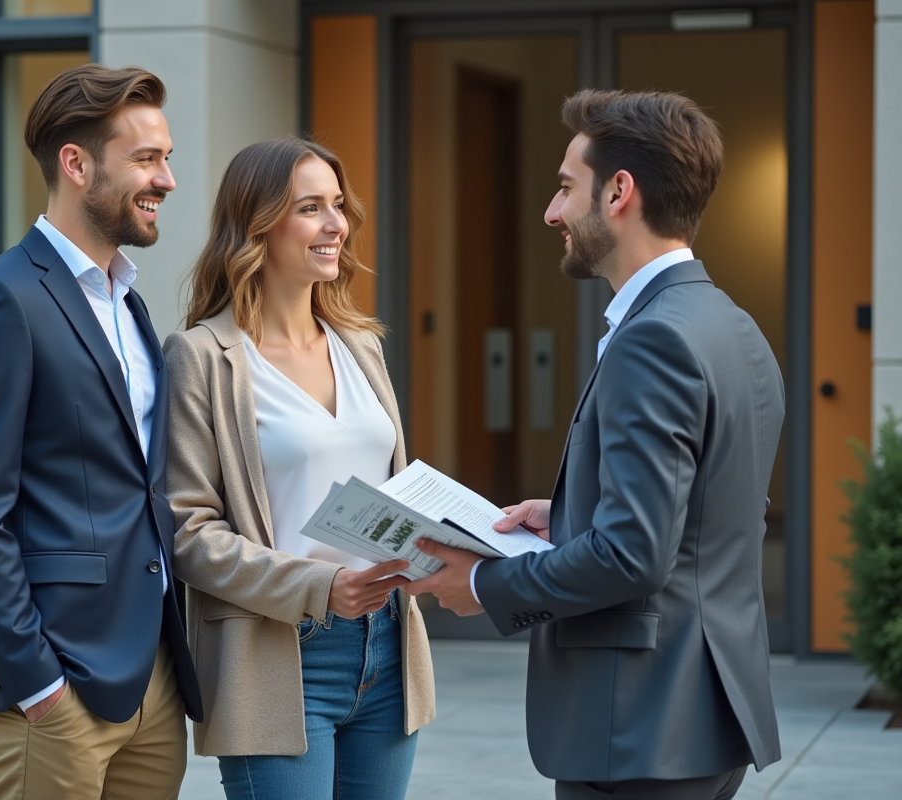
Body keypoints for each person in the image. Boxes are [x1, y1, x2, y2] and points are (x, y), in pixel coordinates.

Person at [408, 89, 784, 800]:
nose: (552, 213)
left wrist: (484, 585)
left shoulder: (654, 338)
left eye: (564, 187)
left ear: (619, 192)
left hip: (637, 724)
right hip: (702, 714)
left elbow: (633, 555)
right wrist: (577, 509)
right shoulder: (734, 327)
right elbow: (708, 509)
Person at [0, 64, 202, 800]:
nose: (168, 180)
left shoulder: (131, 307)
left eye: (167, 157)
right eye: (147, 159)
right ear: (76, 164)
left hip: (153, 677)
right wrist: (35, 682)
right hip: (57, 689)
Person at [164, 137, 436, 800]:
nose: (336, 224)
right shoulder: (203, 357)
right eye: (310, 207)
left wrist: (436, 545)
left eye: (338, 206)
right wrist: (319, 586)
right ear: (258, 225)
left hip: (387, 645)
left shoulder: (361, 345)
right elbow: (188, 534)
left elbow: (386, 493)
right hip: (280, 658)